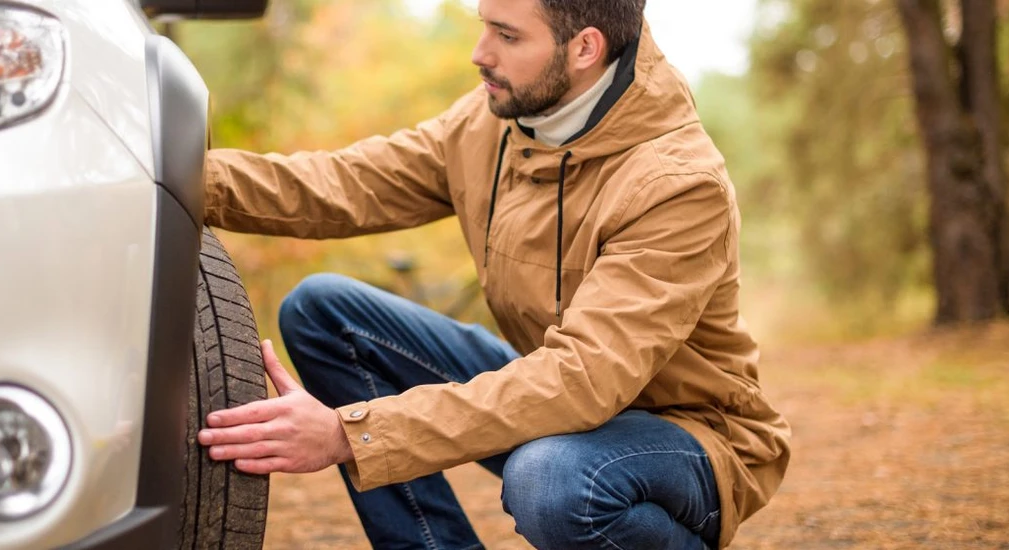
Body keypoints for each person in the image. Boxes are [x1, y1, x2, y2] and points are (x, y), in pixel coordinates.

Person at [197, 0, 791, 548]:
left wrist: (351, 434)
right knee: (323, 310)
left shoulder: (677, 185)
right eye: (485, 25)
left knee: (553, 483)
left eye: (506, 35)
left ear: (585, 49)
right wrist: (178, 178)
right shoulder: (493, 123)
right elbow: (343, 184)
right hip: (557, 391)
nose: (480, 53)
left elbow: (581, 379)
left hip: (688, 436)